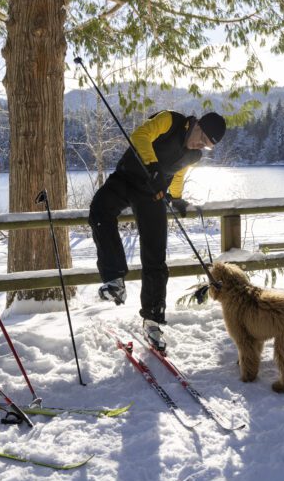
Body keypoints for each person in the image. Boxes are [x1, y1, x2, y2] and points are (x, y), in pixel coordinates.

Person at [88, 110, 226, 351]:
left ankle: (152, 319)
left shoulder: (194, 154)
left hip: (152, 192)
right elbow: (140, 135)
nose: (200, 146)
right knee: (99, 211)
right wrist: (152, 166)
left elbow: (179, 170)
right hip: (127, 177)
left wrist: (177, 197)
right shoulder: (171, 120)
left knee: (155, 251)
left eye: (207, 146)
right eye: (202, 139)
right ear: (197, 125)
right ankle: (114, 279)